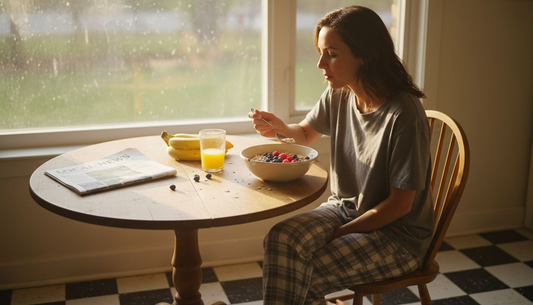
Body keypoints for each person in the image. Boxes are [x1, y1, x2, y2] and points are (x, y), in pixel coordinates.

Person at [248, 6, 433, 305]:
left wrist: (342, 232)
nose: (321, 63)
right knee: (280, 238)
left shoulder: (404, 115)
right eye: (321, 52)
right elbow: (306, 134)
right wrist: (281, 129)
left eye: (332, 53)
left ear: (365, 54)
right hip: (345, 209)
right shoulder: (340, 92)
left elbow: (400, 206)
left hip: (399, 237)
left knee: (296, 274)